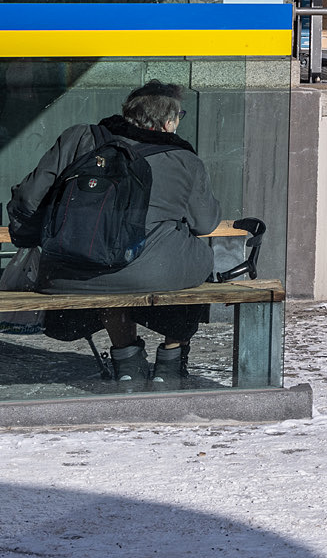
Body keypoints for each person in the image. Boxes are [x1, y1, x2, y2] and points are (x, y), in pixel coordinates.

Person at [4, 83, 219, 381]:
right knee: (200, 257)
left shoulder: (80, 137)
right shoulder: (184, 159)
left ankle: (127, 361)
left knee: (103, 256)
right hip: (154, 273)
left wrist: (27, 238)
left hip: (68, 274)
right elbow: (205, 224)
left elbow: (28, 198)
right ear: (169, 122)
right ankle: (172, 356)